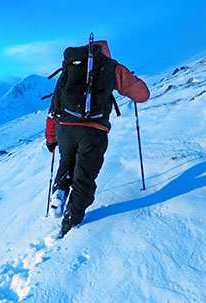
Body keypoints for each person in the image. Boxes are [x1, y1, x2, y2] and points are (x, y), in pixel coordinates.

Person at [45, 40, 150, 238]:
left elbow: (54, 108)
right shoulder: (112, 67)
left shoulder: (70, 70)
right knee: (84, 177)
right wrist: (131, 80)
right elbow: (142, 95)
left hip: (64, 129)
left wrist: (51, 139)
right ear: (105, 53)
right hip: (93, 131)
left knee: (66, 162)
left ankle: (59, 190)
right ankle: (70, 225)